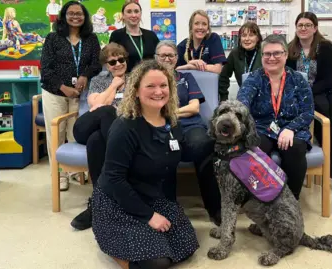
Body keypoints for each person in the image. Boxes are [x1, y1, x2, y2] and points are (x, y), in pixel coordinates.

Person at [92, 60, 199, 269]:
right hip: (118, 200)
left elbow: (177, 158)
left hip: (152, 196)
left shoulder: (172, 124)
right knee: (156, 262)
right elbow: (114, 179)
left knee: (186, 245)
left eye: (163, 86)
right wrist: (149, 216)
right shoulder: (125, 127)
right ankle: (110, 243)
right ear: (137, 91)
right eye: (150, 86)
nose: (158, 91)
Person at [236, 35, 314, 201]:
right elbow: (242, 103)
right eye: (267, 54)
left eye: (277, 53)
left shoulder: (298, 79)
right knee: (255, 149)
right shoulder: (254, 78)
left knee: (296, 148)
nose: (272, 58)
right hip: (262, 127)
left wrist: (290, 129)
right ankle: (263, 201)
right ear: (262, 56)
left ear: (286, 54)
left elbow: (308, 111)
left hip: (292, 128)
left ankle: (290, 202)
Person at [155, 40, 222, 225]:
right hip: (163, 127)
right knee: (164, 152)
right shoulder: (151, 80)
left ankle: (215, 208)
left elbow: (194, 108)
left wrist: (169, 112)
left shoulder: (186, 78)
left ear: (177, 58)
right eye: (163, 55)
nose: (167, 58)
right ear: (156, 58)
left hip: (191, 125)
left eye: (171, 55)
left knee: (205, 146)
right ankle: (169, 208)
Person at [40, 0, 101, 191]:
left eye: (79, 13)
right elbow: (46, 68)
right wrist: (63, 87)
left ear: (85, 17)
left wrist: (84, 75)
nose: (75, 17)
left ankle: (76, 171)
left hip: (80, 94)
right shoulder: (53, 38)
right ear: (64, 16)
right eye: (71, 13)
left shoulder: (91, 38)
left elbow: (96, 63)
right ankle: (59, 175)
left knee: (75, 131)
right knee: (56, 134)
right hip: (54, 92)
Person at [286, 12, 332, 194]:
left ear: (315, 28)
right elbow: (290, 76)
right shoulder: (291, 49)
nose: (303, 28)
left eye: (308, 25)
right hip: (307, 93)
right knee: (318, 127)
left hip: (331, 91)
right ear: (296, 28)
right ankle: (331, 161)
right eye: (300, 25)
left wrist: (306, 92)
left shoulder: (325, 47)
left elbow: (328, 77)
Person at [70, 43, 128, 230]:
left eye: (121, 59)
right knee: (107, 112)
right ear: (106, 64)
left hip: (113, 131)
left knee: (96, 141)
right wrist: (114, 84)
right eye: (112, 62)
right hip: (85, 127)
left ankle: (99, 203)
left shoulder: (137, 79)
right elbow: (96, 107)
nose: (118, 64)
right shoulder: (98, 80)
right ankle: (119, 173)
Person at [109, 0, 160, 73]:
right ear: (123, 15)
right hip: (126, 79)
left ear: (140, 14)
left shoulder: (151, 35)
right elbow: (112, 60)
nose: (133, 15)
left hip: (149, 78)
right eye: (129, 12)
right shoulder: (117, 35)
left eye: (136, 11)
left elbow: (159, 57)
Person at [218, 22, 263, 102]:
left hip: (263, 98)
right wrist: (223, 98)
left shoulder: (264, 53)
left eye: (251, 35)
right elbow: (223, 77)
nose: (247, 39)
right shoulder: (235, 53)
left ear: (258, 38)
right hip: (243, 98)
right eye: (244, 35)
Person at [176, 10, 226, 74]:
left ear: (208, 28)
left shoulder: (213, 39)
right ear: (191, 26)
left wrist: (192, 66)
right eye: (196, 23)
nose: (200, 27)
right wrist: (191, 63)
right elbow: (176, 70)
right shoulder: (182, 46)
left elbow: (217, 69)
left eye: (204, 24)